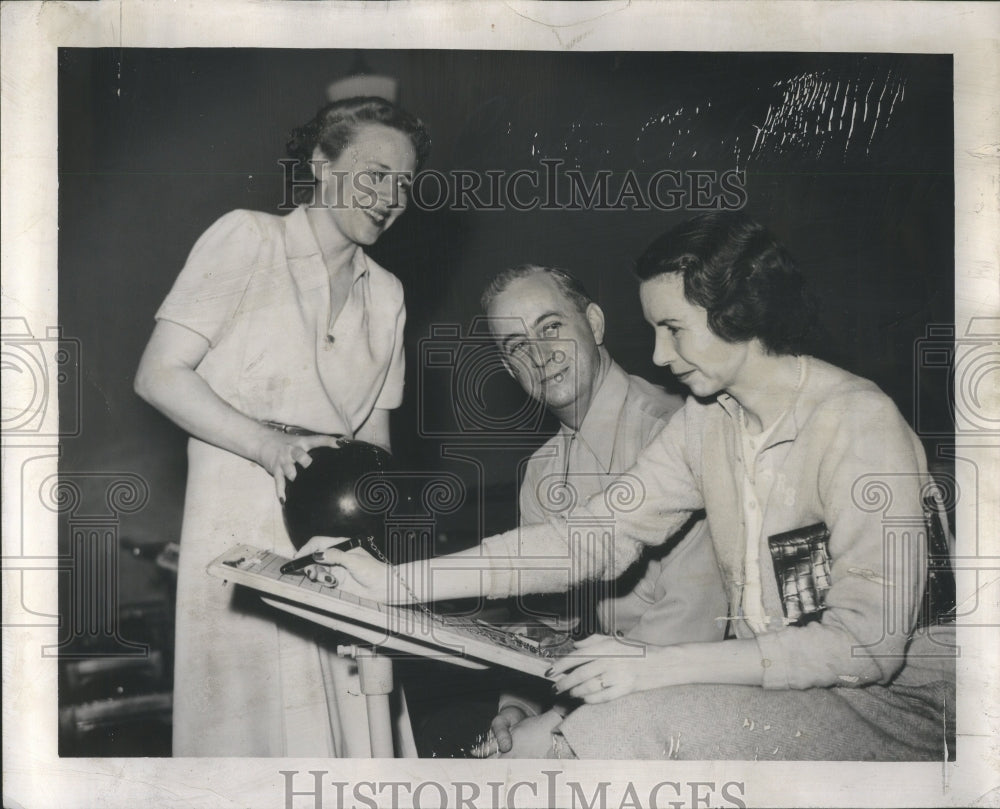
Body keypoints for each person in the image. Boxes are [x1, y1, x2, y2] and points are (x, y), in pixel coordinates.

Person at [305, 210, 955, 760]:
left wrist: (656, 668)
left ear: (736, 312)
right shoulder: (710, 422)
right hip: (792, 689)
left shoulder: (856, 419)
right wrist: (395, 584)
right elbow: (585, 541)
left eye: (673, 329)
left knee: (616, 732)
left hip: (907, 702)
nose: (662, 355)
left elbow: (864, 649)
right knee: (597, 734)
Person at [134, 96, 430, 756]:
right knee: (251, 736)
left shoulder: (388, 294)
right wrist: (272, 447)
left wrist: (372, 557)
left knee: (358, 732)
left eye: (405, 185)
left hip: (337, 540)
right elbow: (159, 374)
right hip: (236, 520)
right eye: (376, 173)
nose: (391, 197)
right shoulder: (247, 238)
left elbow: (376, 443)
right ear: (322, 163)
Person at [475, 265, 726, 755]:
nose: (541, 355)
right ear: (509, 369)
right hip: (612, 696)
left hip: (692, 692)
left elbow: (692, 630)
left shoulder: (674, 432)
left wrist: (561, 722)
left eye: (551, 328)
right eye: (517, 346)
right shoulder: (542, 473)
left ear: (594, 323)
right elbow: (548, 625)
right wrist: (520, 703)